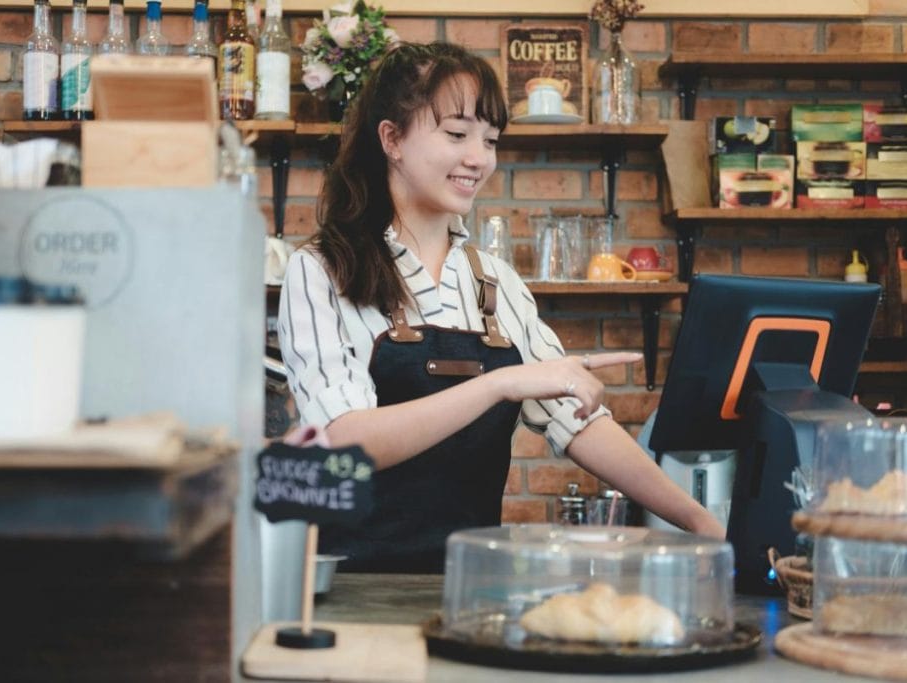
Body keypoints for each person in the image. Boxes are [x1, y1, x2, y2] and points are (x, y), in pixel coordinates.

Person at [277, 41, 724, 573]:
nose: (479, 158)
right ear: (391, 139)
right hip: (348, 588)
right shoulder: (322, 269)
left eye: (489, 140)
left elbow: (581, 425)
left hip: (467, 586)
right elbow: (342, 440)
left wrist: (699, 521)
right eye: (457, 134)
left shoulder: (496, 283)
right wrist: (500, 382)